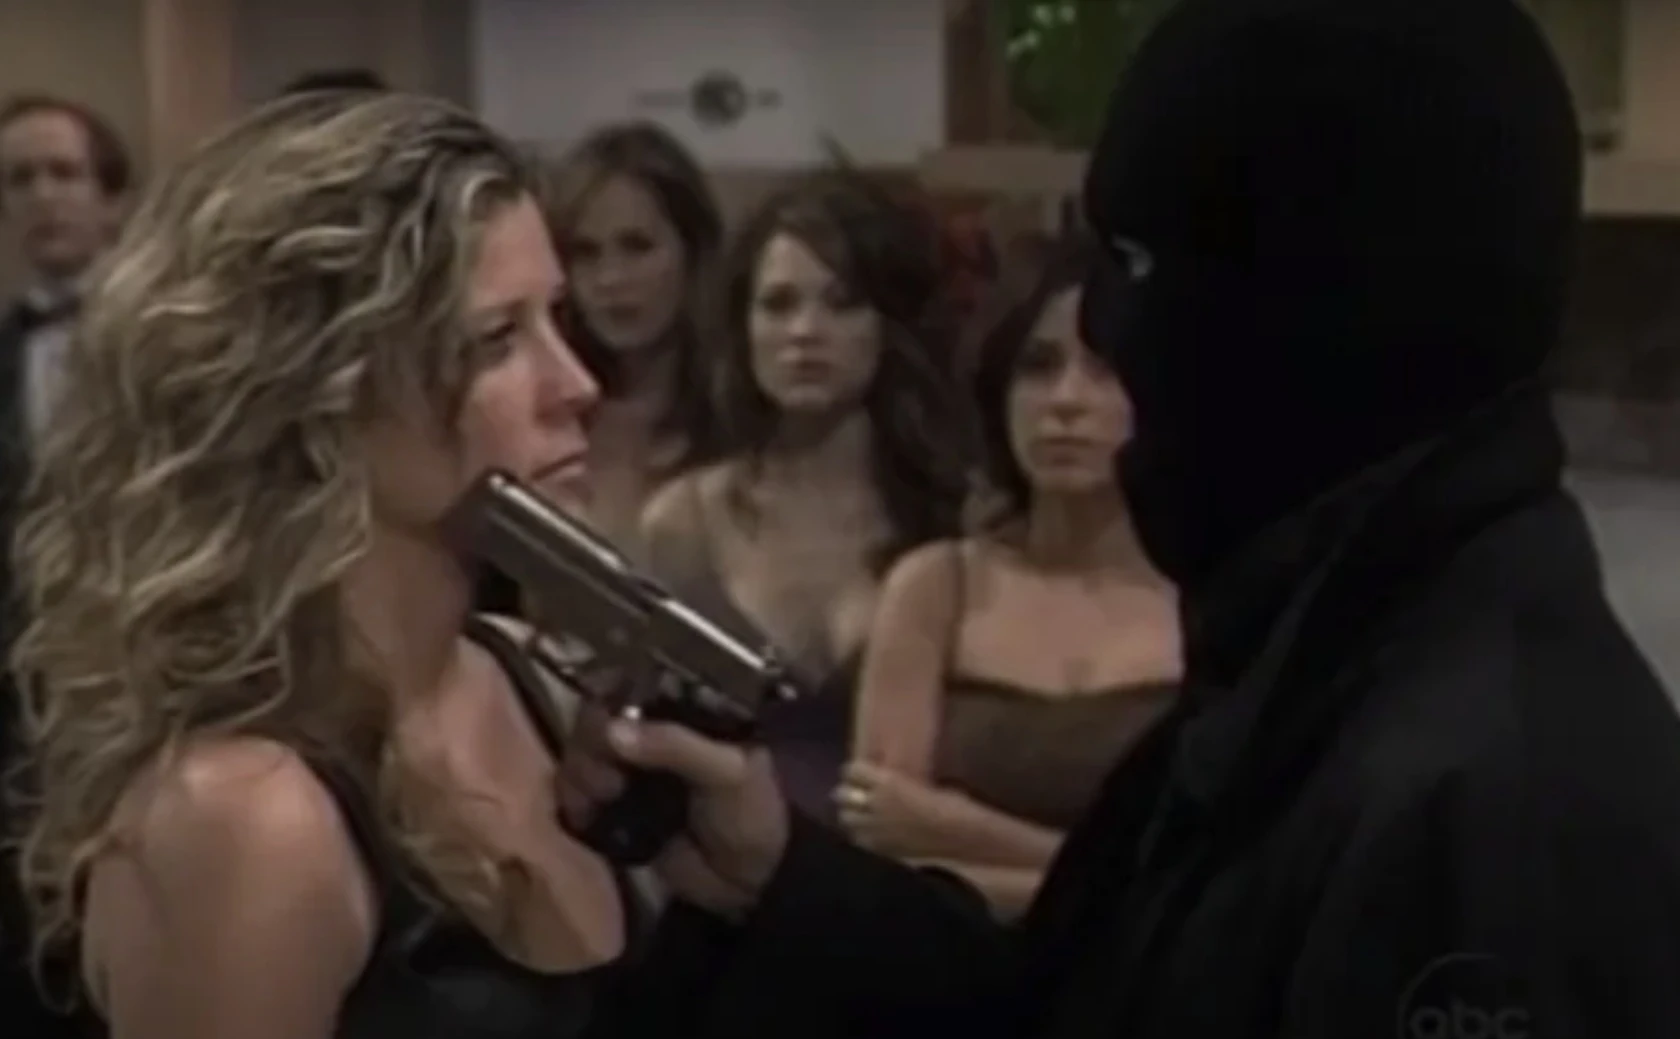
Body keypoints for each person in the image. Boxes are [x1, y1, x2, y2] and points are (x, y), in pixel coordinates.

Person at [566, 2, 1680, 1037]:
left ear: (1321, 313)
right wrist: (780, 879)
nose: (1104, 339)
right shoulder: (1318, 664)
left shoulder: (1494, 800)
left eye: (1141, 266)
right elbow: (1082, 1005)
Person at [9, 90, 639, 1039]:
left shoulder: (531, 680)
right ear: (324, 390)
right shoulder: (244, 819)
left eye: (557, 318)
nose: (577, 385)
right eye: (498, 339)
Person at [840, 234, 1178, 919]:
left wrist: (957, 827)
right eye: (1037, 367)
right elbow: (885, 853)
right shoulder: (936, 587)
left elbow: (1191, 881)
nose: (1065, 401)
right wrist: (1104, 885)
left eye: (1104, 369)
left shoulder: (1203, 600)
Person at [637, 167, 971, 823]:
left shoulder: (958, 515)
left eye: (841, 303)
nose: (805, 331)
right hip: (726, 860)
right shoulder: (682, 524)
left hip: (907, 864)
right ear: (744, 326)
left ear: (891, 323)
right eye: (779, 304)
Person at [545, 121, 727, 559]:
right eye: (586, 253)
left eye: (637, 247)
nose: (610, 278)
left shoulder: (740, 421)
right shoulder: (547, 421)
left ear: (693, 253)